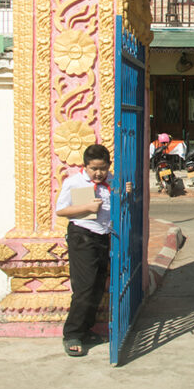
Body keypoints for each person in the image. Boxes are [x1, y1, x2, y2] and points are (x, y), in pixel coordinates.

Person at [56, 143, 131, 357]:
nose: (98, 173)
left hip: (103, 236)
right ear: (85, 167)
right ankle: (72, 333)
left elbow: (119, 203)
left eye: (103, 168)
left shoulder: (112, 181)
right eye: (94, 169)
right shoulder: (75, 182)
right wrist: (86, 208)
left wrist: (125, 191)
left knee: (98, 285)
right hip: (83, 236)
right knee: (85, 286)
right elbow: (61, 210)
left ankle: (86, 330)